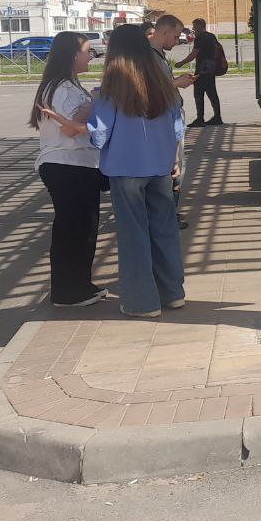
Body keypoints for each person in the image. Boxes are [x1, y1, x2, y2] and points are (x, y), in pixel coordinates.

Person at [87, 23, 186, 318]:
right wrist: (174, 157)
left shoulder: (111, 89)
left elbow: (99, 135)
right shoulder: (162, 84)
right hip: (160, 166)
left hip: (125, 169)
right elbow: (177, 126)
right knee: (165, 229)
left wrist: (93, 107)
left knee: (134, 235)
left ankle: (142, 302)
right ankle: (173, 293)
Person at [30, 31, 107, 308]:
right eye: (87, 50)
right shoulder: (61, 87)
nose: (90, 55)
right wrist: (96, 101)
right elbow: (70, 127)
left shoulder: (67, 84)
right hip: (68, 165)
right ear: (73, 54)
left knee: (80, 228)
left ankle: (79, 285)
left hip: (76, 165)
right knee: (75, 229)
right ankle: (68, 291)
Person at [150, 14, 195, 231]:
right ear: (164, 31)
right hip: (164, 121)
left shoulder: (157, 55)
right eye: (176, 36)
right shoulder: (149, 57)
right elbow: (150, 92)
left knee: (176, 167)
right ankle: (167, 217)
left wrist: (176, 83)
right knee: (175, 168)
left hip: (171, 116)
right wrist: (176, 83)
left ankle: (169, 214)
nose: (177, 41)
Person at [176, 18, 224, 127]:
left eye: (194, 26)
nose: (193, 28)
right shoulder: (211, 36)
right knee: (212, 93)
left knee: (198, 93)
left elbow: (194, 54)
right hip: (211, 68)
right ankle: (217, 117)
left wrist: (181, 63)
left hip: (202, 69)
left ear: (200, 26)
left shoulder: (200, 38)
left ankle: (200, 119)